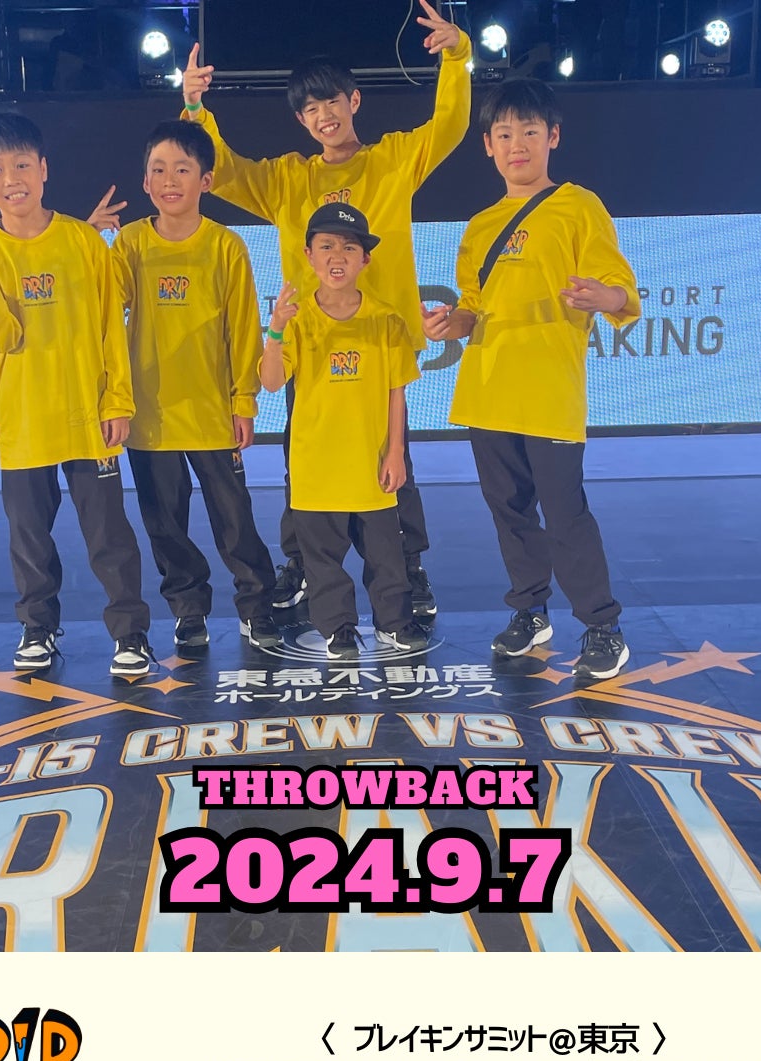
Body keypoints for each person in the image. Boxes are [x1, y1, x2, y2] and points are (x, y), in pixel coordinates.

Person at [181, 0, 472, 619]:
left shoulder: (393, 160)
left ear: (354, 101)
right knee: (304, 454)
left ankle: (408, 567)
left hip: (380, 342)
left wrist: (457, 56)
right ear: (301, 119)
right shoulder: (287, 179)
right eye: (310, 109)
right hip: (309, 345)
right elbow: (223, 173)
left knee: (392, 454)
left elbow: (449, 125)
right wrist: (196, 110)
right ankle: (303, 563)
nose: (323, 116)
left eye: (332, 102)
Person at [422, 78, 638, 682]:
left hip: (549, 392)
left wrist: (603, 296)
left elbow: (622, 290)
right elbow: (472, 306)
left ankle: (602, 626)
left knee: (566, 514)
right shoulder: (480, 225)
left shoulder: (579, 206)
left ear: (554, 137)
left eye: (530, 131)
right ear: (488, 145)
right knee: (510, 511)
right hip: (488, 390)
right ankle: (530, 612)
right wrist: (451, 323)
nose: (517, 144)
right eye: (504, 133)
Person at [0, 113, 153, 677]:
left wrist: (118, 401)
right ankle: (37, 628)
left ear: (43, 169)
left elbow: (111, 328)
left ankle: (130, 634)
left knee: (110, 537)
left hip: (88, 417)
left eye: (21, 164)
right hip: (25, 422)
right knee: (29, 538)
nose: (10, 178)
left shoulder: (83, 241)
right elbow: (0, 337)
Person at [102, 121, 281, 652]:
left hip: (212, 413)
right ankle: (187, 608)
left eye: (182, 169)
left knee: (236, 520)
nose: (169, 180)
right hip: (150, 416)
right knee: (165, 525)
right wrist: (88, 239)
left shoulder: (226, 246)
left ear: (205, 180)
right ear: (145, 182)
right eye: (158, 170)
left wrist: (243, 400)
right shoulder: (130, 243)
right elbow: (103, 308)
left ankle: (256, 606)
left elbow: (243, 329)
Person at [260, 204, 428, 661]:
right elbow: (272, 382)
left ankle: (394, 623)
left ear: (365, 260)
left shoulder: (386, 319)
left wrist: (395, 452)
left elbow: (396, 391)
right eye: (327, 246)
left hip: (371, 465)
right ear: (309, 255)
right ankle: (338, 629)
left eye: (350, 248)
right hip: (315, 466)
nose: (338, 256)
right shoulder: (296, 320)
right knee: (322, 561)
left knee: (387, 556)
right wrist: (276, 330)